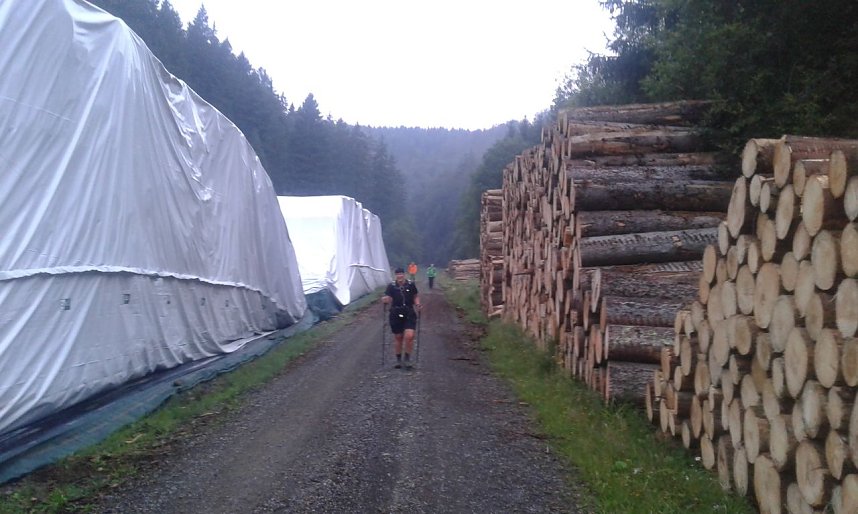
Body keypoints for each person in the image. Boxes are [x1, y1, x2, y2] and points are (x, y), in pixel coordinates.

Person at [382, 267, 421, 369]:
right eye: (398, 274)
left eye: (401, 274)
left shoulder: (411, 284)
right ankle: (398, 359)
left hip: (409, 312)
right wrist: (385, 300)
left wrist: (417, 304)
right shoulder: (391, 286)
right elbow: (388, 298)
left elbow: (415, 296)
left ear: (404, 274)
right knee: (398, 337)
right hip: (396, 313)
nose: (400, 276)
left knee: (409, 336)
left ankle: (407, 359)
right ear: (395, 275)